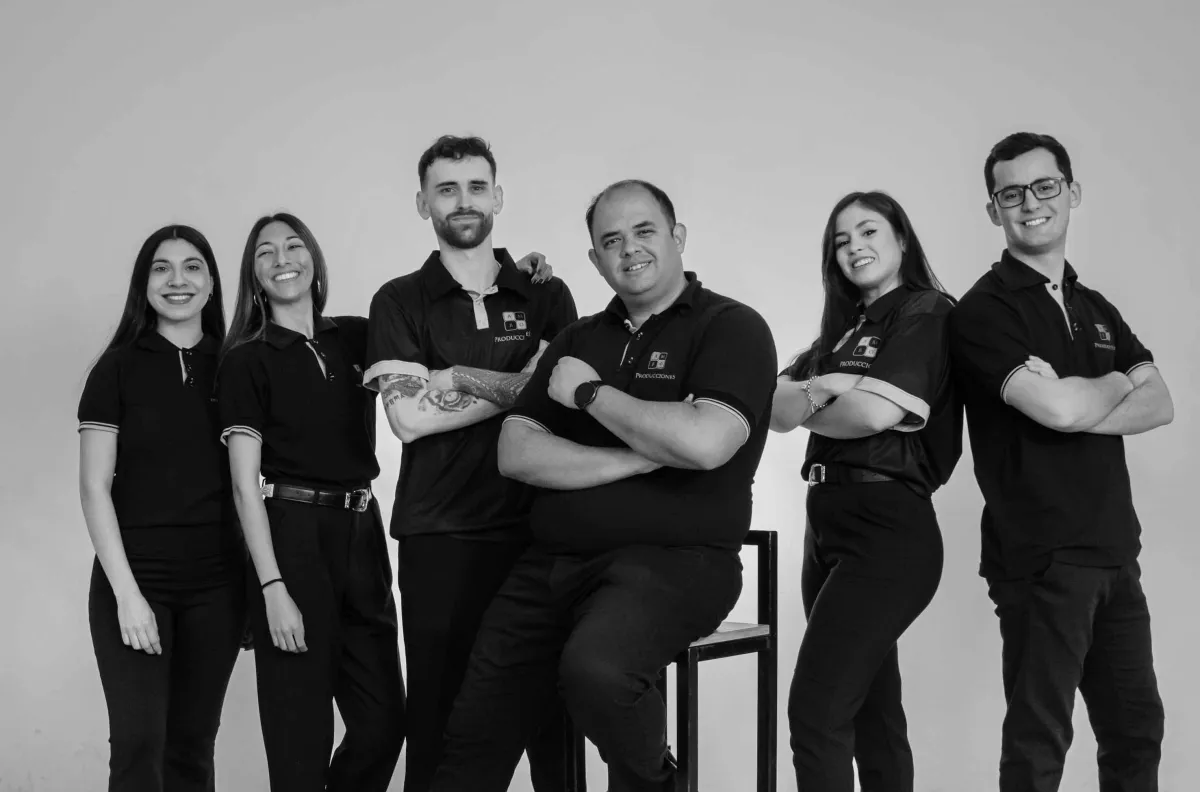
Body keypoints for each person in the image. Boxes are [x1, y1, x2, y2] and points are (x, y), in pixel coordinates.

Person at [429, 179, 779, 792]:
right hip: (553, 564)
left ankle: (658, 783)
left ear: (678, 236)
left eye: (644, 231)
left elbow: (705, 444)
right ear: (595, 259)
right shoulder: (578, 339)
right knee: (472, 733)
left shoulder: (731, 327)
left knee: (597, 672)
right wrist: (644, 454)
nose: (630, 249)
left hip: (678, 562)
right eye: (611, 240)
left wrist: (590, 394)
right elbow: (516, 452)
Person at [949, 132, 1172, 791]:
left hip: (1115, 553)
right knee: (1038, 747)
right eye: (1011, 193)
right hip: (1041, 558)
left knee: (1136, 735)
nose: (1031, 203)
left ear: (1072, 193)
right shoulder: (983, 311)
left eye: (1045, 186)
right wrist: (1114, 383)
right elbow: (1057, 410)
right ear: (993, 210)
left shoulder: (1095, 307)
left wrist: (1081, 395)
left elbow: (1160, 404)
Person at [364, 134, 574, 792]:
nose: (463, 200)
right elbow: (408, 417)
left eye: (477, 186)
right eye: (447, 189)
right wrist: (522, 381)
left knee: (553, 720)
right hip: (440, 536)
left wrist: (453, 376)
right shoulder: (399, 300)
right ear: (423, 203)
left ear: (498, 197)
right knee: (439, 719)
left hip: (540, 534)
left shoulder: (546, 293)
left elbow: (564, 399)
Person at [770, 191, 961, 792]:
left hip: (888, 527)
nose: (855, 247)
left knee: (817, 711)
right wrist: (830, 383)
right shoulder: (840, 333)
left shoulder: (927, 311)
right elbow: (773, 407)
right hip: (825, 525)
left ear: (902, 238)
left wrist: (822, 393)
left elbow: (875, 414)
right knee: (873, 714)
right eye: (841, 240)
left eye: (869, 231)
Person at [216, 212, 405, 792]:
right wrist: (272, 587)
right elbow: (244, 484)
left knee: (384, 723)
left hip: (362, 532)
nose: (282, 260)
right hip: (292, 538)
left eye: (293, 246)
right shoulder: (247, 359)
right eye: (265, 253)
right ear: (254, 276)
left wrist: (510, 276)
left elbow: (433, 322)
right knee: (300, 739)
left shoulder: (357, 335)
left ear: (314, 259)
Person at [78, 224, 246, 791]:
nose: (178, 280)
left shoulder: (238, 365)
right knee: (138, 743)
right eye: (161, 267)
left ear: (212, 282)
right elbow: (94, 488)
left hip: (218, 585)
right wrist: (128, 596)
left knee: (191, 747)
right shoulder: (116, 368)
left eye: (192, 266)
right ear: (143, 284)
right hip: (134, 577)